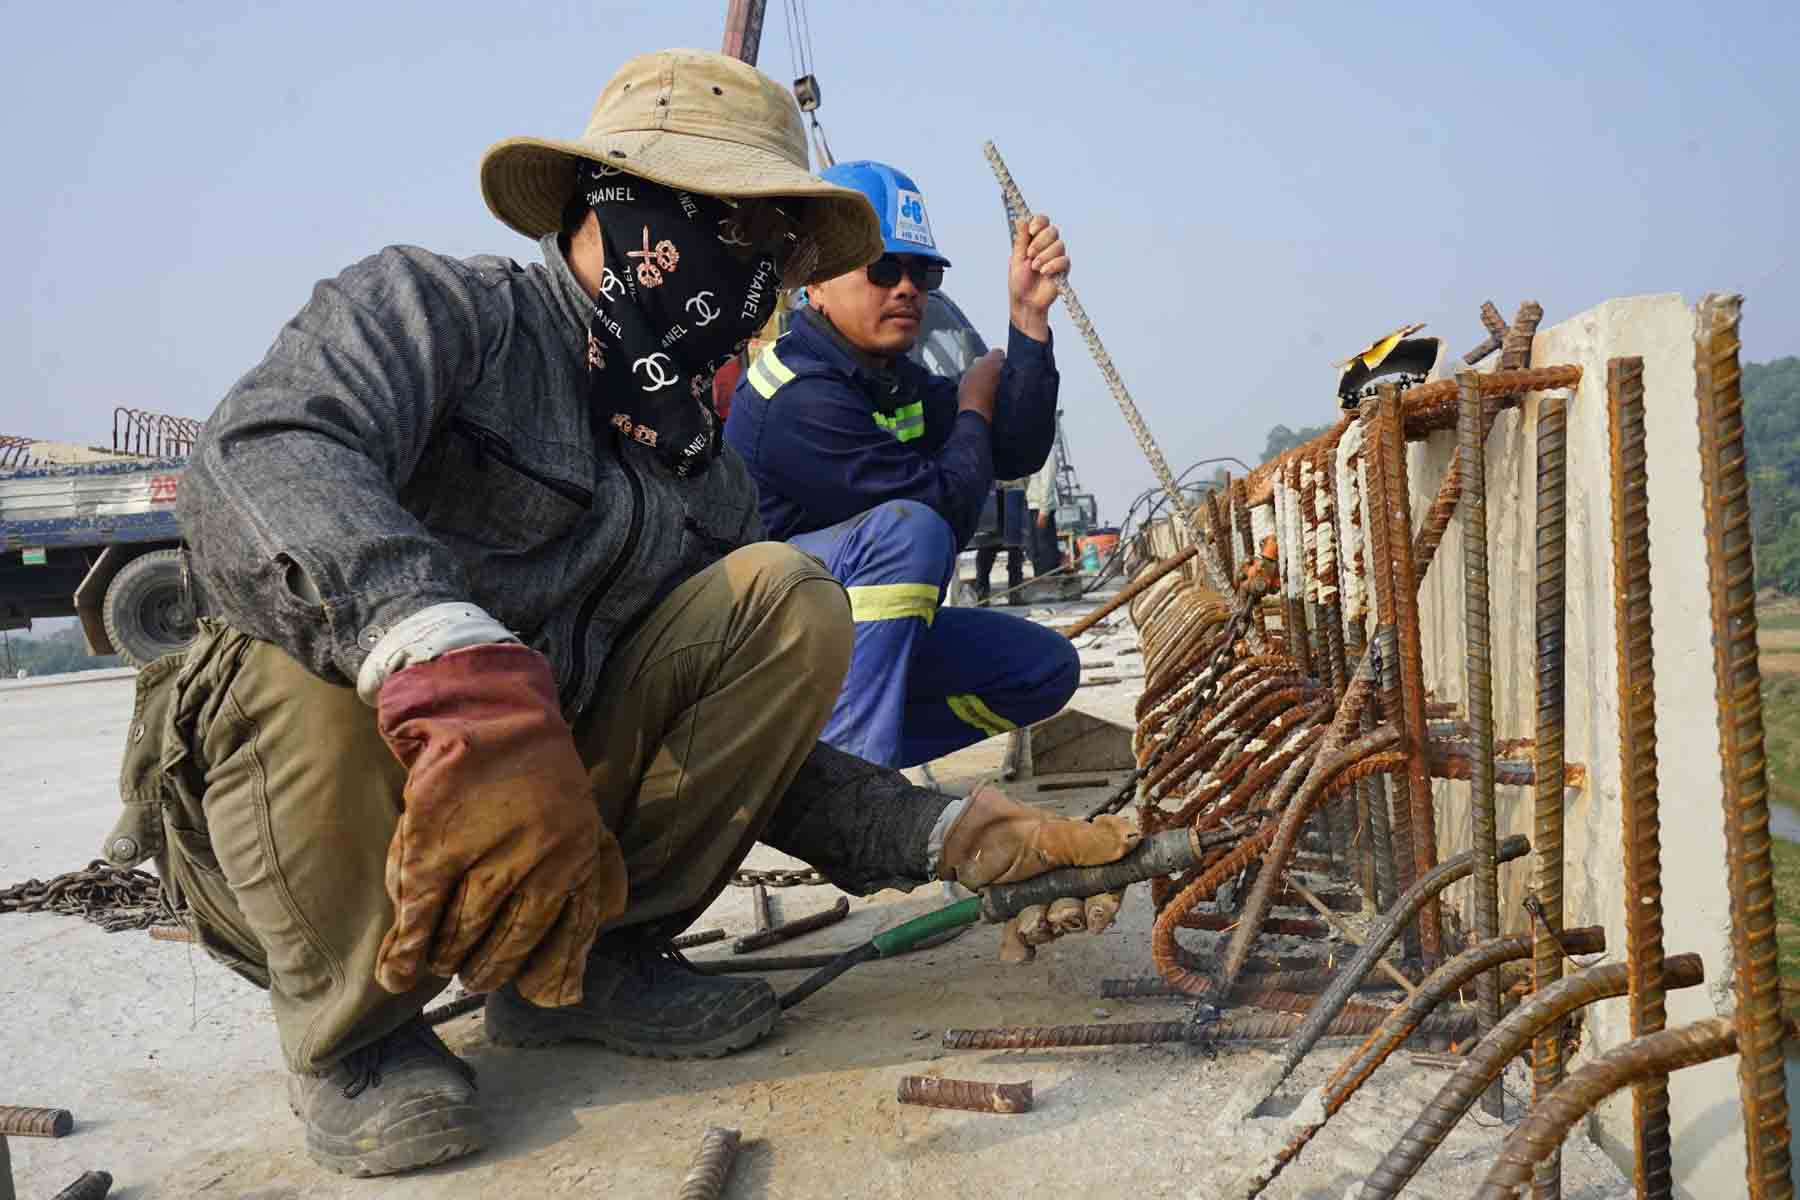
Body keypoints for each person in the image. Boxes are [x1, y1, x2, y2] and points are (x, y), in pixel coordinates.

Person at [106, 52, 1136, 1177]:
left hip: (552, 820)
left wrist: (947, 835)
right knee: (297, 630)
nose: (755, 272)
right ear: (623, 205)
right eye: (733, 230)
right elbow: (260, 456)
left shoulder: (700, 467)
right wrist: (449, 667)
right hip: (321, 815)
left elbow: (765, 751)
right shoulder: (443, 312)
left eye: (772, 249)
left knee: (782, 597)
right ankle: (357, 1038)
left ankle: (585, 965)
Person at [724, 160, 1080, 769]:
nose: (907, 288)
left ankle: (824, 768)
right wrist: (972, 406)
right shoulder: (798, 395)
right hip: (754, 651)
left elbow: (1015, 451)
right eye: (884, 269)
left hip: (834, 641)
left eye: (923, 273)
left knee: (1041, 670)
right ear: (814, 281)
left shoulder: (887, 379)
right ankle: (854, 793)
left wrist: (1028, 321)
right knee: (907, 534)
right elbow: (941, 507)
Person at [973, 479, 1029, 605]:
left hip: (1012, 494)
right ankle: (982, 594)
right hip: (991, 497)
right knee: (986, 549)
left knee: (1015, 550)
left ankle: (1015, 593)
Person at [1026, 456, 1062, 576]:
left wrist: (1044, 510)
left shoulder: (1047, 453)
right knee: (1034, 552)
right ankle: (1041, 583)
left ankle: (1050, 583)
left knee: (1045, 551)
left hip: (1040, 509)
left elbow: (1048, 482)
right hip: (1030, 507)